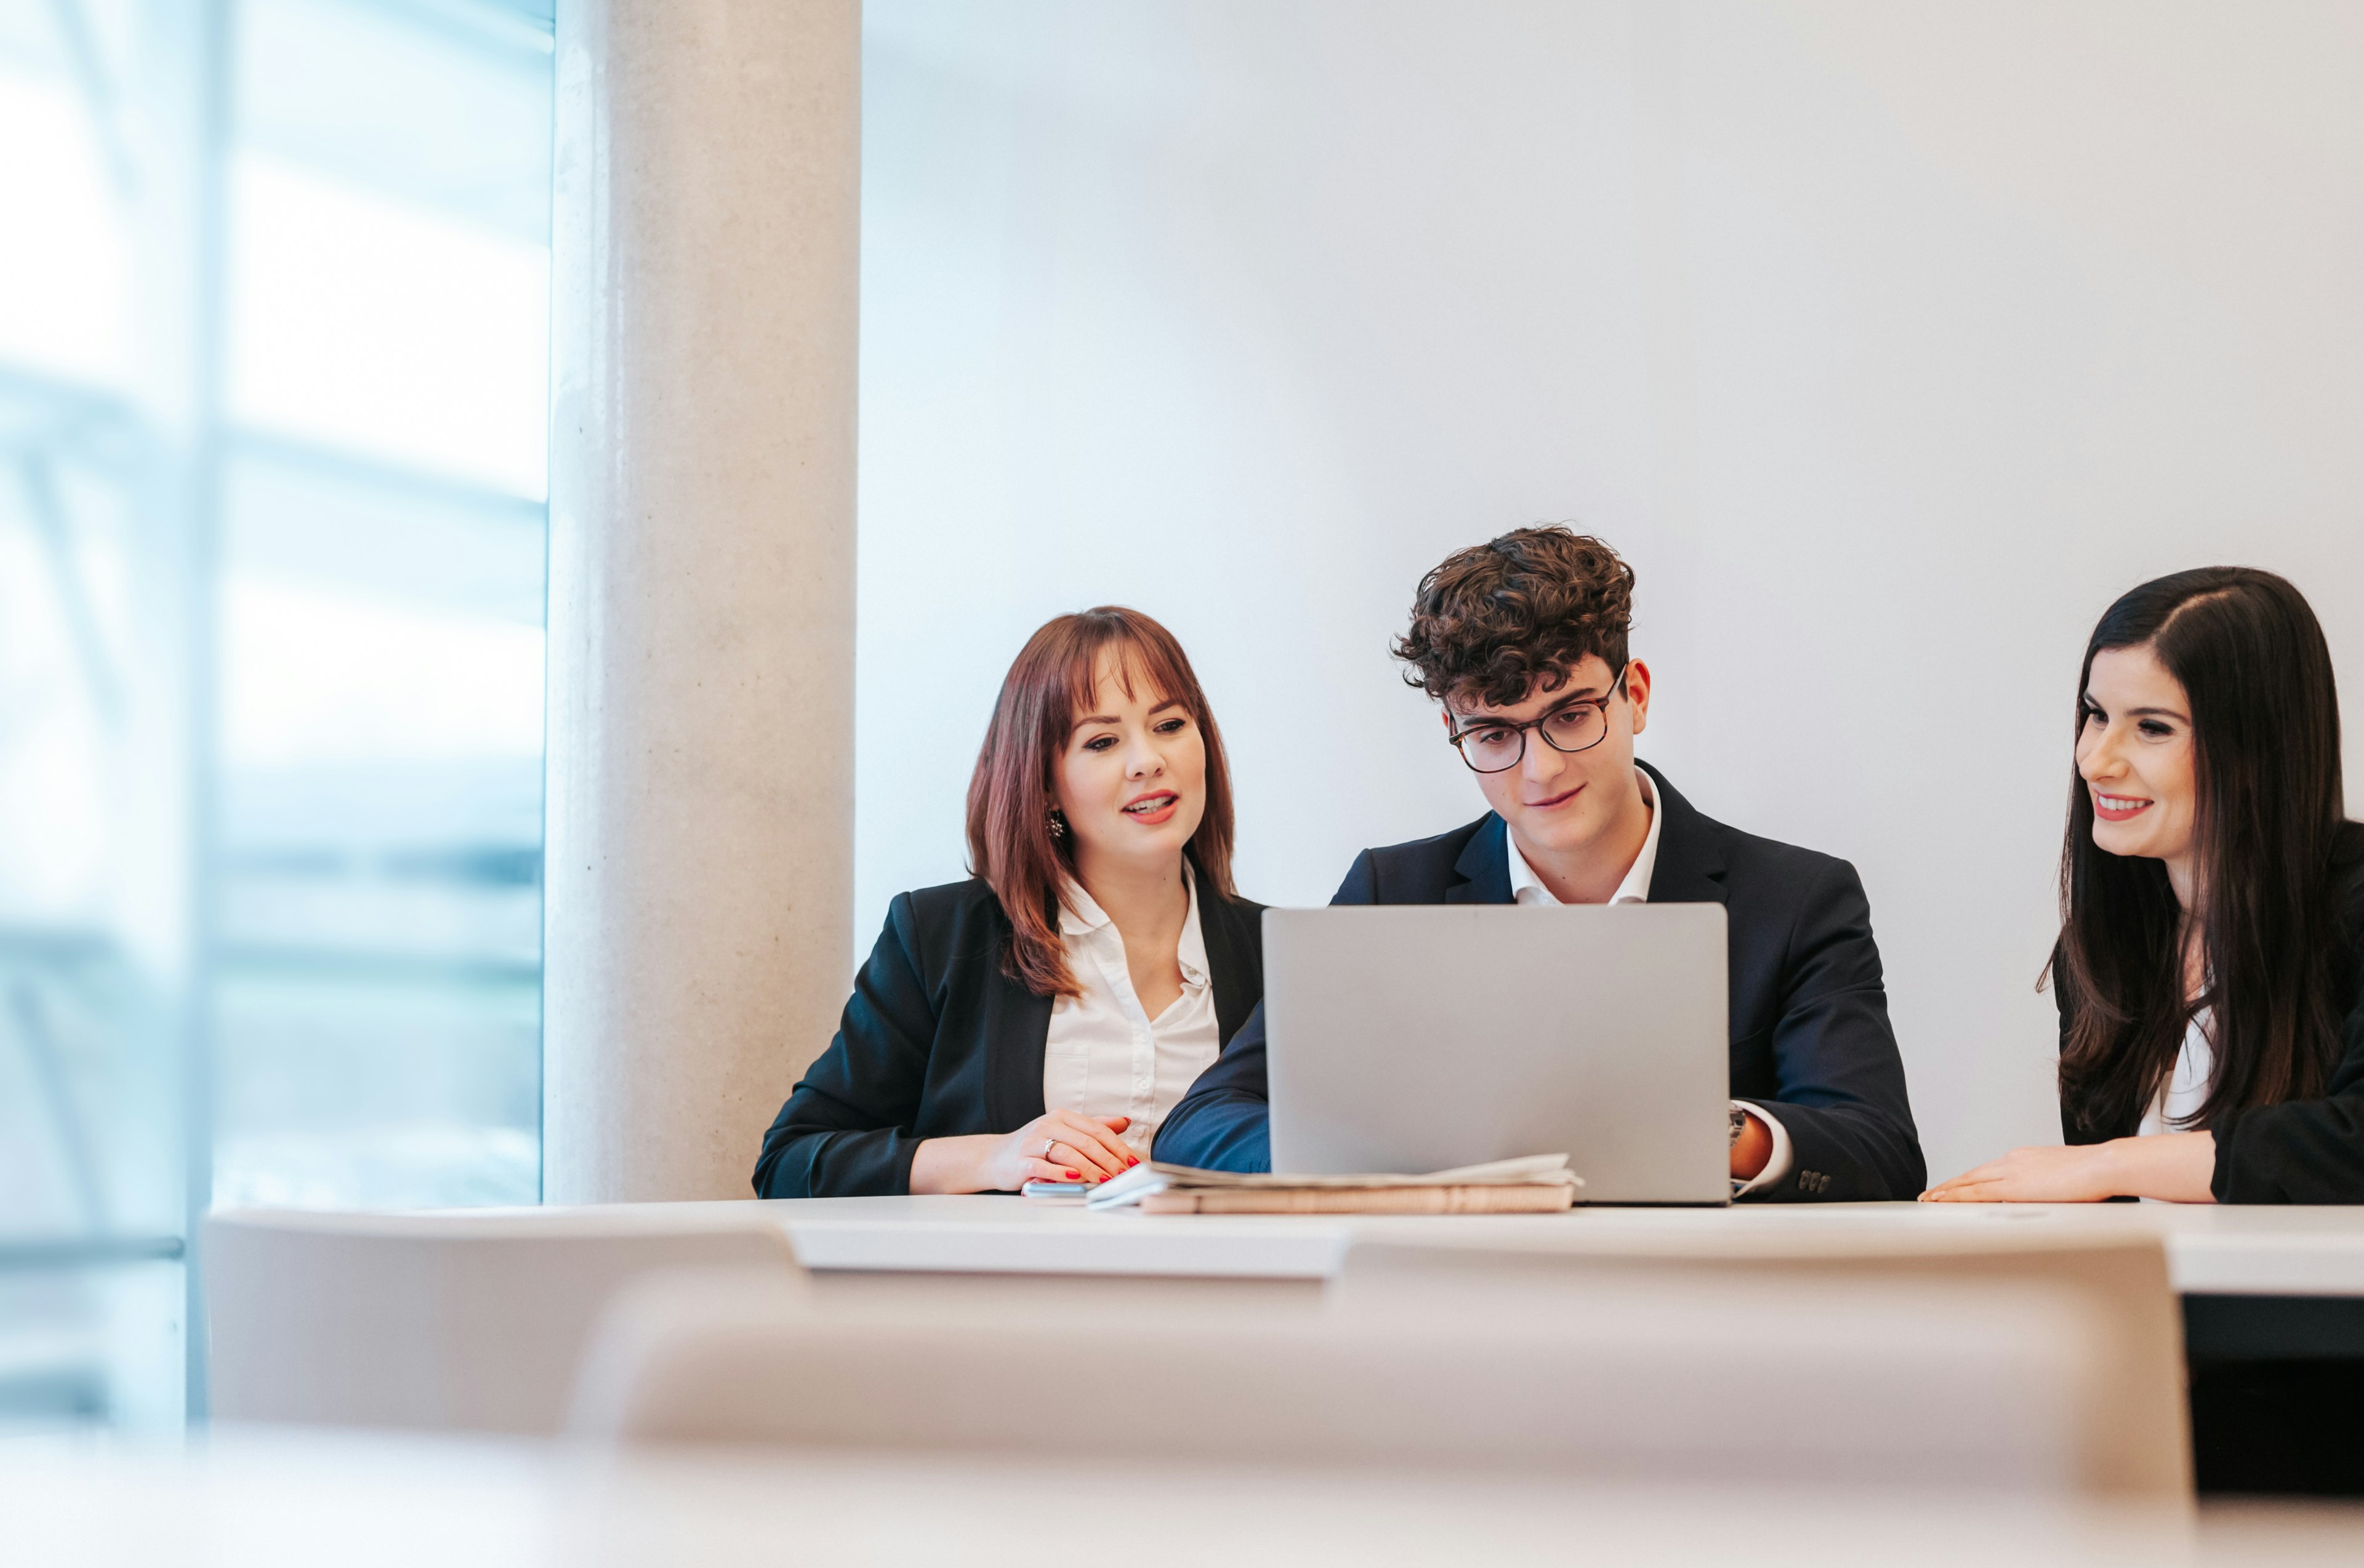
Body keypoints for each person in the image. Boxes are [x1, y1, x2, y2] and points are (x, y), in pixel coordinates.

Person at [1152, 526, 1924, 1200]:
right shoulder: (1394, 894)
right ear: (1454, 728)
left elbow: (1881, 1148)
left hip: (1700, 1314)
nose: (1540, 770)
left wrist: (1708, 1130)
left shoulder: (1796, 899)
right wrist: (1390, 1157)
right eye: (1494, 735)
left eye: (1571, 715)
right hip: (1461, 1311)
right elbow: (1201, 1122)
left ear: (1637, 697)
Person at [754, 608, 1267, 1197]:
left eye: (1170, 725)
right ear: (1044, 782)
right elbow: (790, 1163)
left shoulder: (1275, 954)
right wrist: (995, 1159)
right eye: (1102, 741)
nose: (1148, 760)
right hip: (1006, 1286)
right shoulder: (940, 938)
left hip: (1219, 1286)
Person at [1924, 568, 2364, 1205]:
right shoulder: (2102, 947)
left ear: (2257, 750)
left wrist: (2110, 1165)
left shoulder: (2351, 903)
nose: (2096, 760)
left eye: (2152, 728)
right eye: (2096, 716)